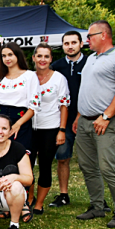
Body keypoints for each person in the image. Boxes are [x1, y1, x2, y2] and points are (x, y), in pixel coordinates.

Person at [73, 20, 115, 228]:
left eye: (90, 36)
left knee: (108, 167)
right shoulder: (91, 59)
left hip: (107, 122)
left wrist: (106, 116)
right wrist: (79, 116)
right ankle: (97, 206)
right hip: (85, 120)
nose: (87, 40)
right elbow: (89, 89)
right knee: (87, 166)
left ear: (103, 35)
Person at [29, 44, 70, 215]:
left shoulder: (59, 78)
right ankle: (29, 199)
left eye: (46, 56)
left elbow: (64, 105)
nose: (42, 60)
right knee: (27, 165)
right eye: (39, 56)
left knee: (45, 165)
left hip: (51, 128)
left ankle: (39, 203)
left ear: (51, 59)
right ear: (34, 58)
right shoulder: (28, 77)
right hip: (29, 127)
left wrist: (62, 130)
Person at [49, 31, 87, 208]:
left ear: (81, 43)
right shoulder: (56, 67)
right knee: (62, 157)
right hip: (63, 120)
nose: (70, 46)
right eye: (66, 43)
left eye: (73, 42)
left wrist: (81, 115)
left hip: (88, 117)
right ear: (62, 45)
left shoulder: (90, 64)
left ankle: (97, 197)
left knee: (91, 159)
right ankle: (63, 195)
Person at [0, 41, 39, 159]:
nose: (7, 58)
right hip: (0, 119)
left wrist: (17, 124)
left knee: (21, 156)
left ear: (17, 55)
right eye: (4, 56)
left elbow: (33, 107)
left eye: (10, 55)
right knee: (1, 157)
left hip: (21, 119)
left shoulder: (29, 76)